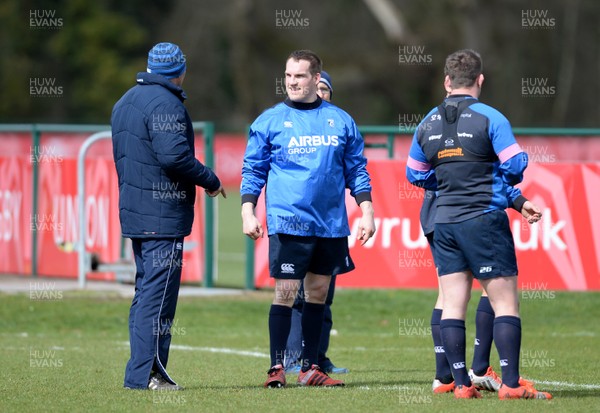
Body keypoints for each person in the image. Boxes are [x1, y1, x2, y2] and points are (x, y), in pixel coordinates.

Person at [406, 49, 552, 400]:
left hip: (443, 222)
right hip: (483, 219)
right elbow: (515, 165)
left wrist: (448, 181)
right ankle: (513, 386)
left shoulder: (426, 122)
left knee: (452, 303)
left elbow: (414, 173)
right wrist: (493, 182)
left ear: (446, 81)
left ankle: (459, 385)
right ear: (480, 80)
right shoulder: (491, 117)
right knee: (505, 304)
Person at [241, 50, 375, 388]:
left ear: (317, 79)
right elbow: (253, 170)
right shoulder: (269, 121)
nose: (292, 82)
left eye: (299, 76)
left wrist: (367, 211)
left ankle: (311, 368)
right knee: (285, 292)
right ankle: (277, 368)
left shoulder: (341, 120)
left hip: (330, 224)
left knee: (318, 292)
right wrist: (247, 210)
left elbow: (357, 170)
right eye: (288, 75)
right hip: (289, 222)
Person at [112, 42, 226, 390]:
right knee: (158, 297)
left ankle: (138, 374)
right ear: (181, 71)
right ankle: (148, 374)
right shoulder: (167, 104)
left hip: (136, 212)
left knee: (144, 292)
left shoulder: (124, 101)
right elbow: (173, 157)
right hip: (160, 216)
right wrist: (210, 179)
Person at [424, 188, 542, 394]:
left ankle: (445, 377)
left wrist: (441, 179)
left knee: (448, 295)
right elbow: (503, 168)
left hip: (437, 211)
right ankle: (481, 370)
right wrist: (517, 199)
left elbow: (414, 172)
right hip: (474, 209)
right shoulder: (478, 156)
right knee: (498, 290)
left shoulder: (428, 153)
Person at [283, 70, 349, 375]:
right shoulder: (291, 127)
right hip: (297, 225)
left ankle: (319, 358)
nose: (320, 93)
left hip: (330, 226)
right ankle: (295, 358)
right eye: (317, 88)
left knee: (324, 295)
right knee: (298, 297)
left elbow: (355, 169)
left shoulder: (338, 127)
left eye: (326, 89)